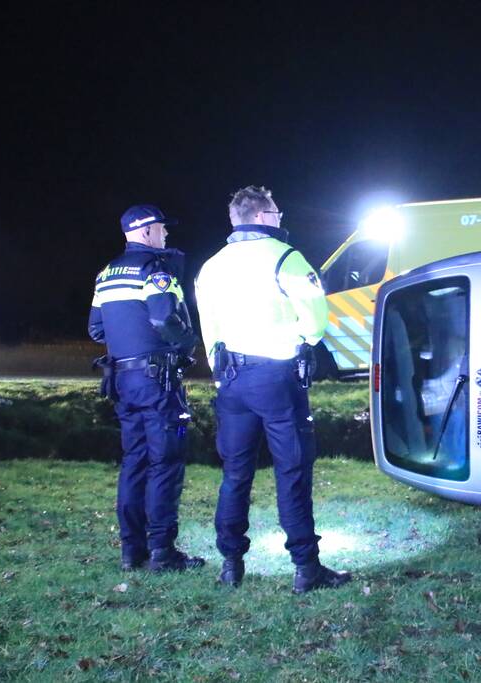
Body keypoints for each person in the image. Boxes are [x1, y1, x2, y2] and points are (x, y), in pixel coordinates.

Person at [195, 185, 351, 593]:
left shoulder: (211, 266)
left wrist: (219, 369)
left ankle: (230, 563)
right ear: (263, 217)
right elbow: (316, 319)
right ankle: (306, 568)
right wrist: (301, 339)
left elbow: (209, 328)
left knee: (235, 474)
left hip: (232, 379)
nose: (282, 218)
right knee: (293, 470)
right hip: (278, 378)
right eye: (277, 212)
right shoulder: (286, 257)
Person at [88, 204, 204, 573]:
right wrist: (187, 345)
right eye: (162, 228)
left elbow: (97, 330)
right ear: (147, 231)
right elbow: (163, 316)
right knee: (165, 462)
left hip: (123, 381)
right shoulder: (155, 270)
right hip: (158, 382)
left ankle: (131, 550)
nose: (166, 234)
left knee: (134, 463)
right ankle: (162, 553)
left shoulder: (105, 274)